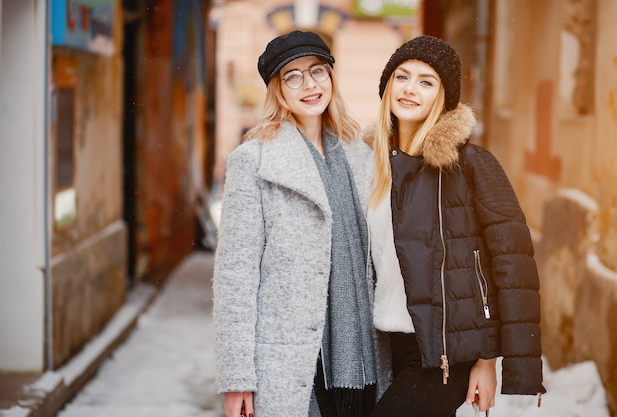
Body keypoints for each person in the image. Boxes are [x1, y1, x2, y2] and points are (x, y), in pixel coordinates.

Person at [365, 35, 546, 417]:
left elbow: (513, 265)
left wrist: (488, 359)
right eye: (402, 77)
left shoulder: (469, 166)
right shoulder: (374, 165)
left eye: (426, 81)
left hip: (447, 353)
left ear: (442, 97)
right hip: (388, 343)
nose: (410, 89)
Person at [213, 30, 391, 417]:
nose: (309, 85)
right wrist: (237, 379)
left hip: (370, 356)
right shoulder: (254, 162)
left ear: (331, 77)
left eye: (317, 71)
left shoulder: (362, 155)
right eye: (292, 76)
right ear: (277, 90)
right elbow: (235, 279)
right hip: (291, 365)